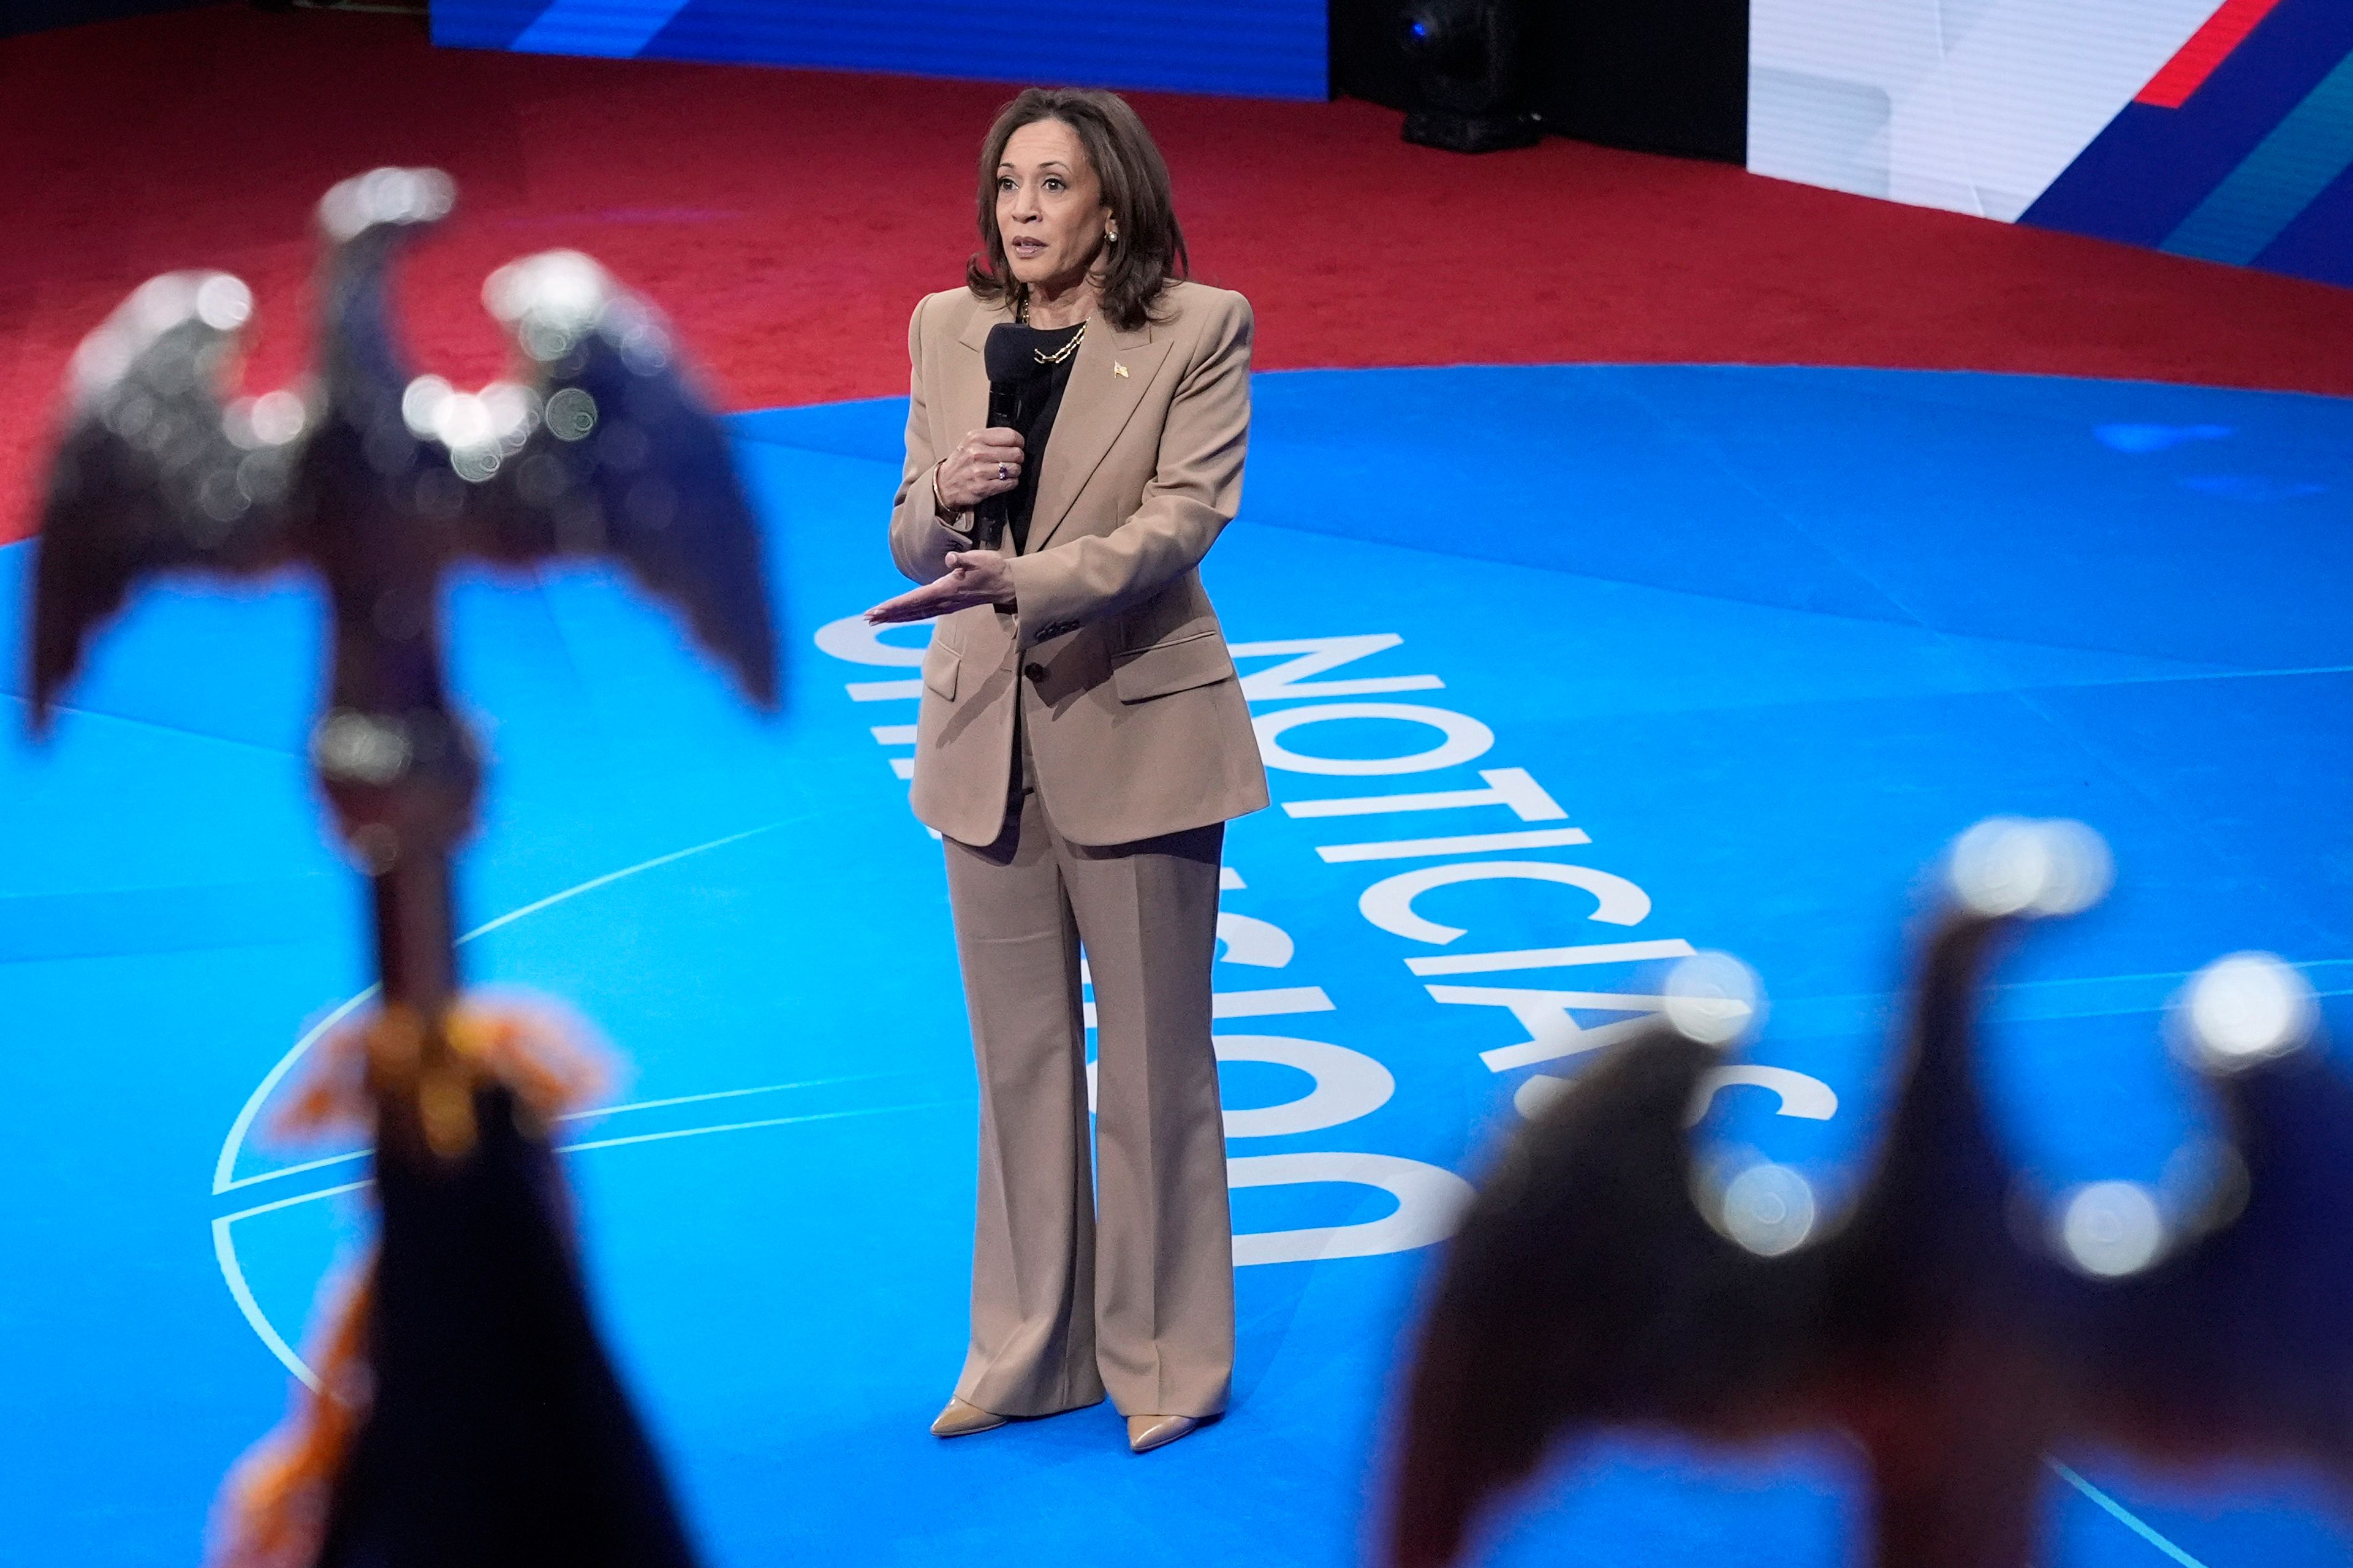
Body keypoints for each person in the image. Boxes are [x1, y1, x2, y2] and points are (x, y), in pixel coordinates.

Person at [864, 86, 1267, 1455]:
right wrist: (945, 495)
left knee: (1155, 1065)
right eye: (1008, 187)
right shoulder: (943, 328)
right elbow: (914, 539)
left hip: (1134, 724)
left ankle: (1165, 1356)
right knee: (1023, 1062)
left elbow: (1182, 522)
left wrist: (1022, 577)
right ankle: (1029, 1349)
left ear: (1114, 206)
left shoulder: (1196, 330)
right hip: (985, 737)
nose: (1021, 213)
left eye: (1052, 188)